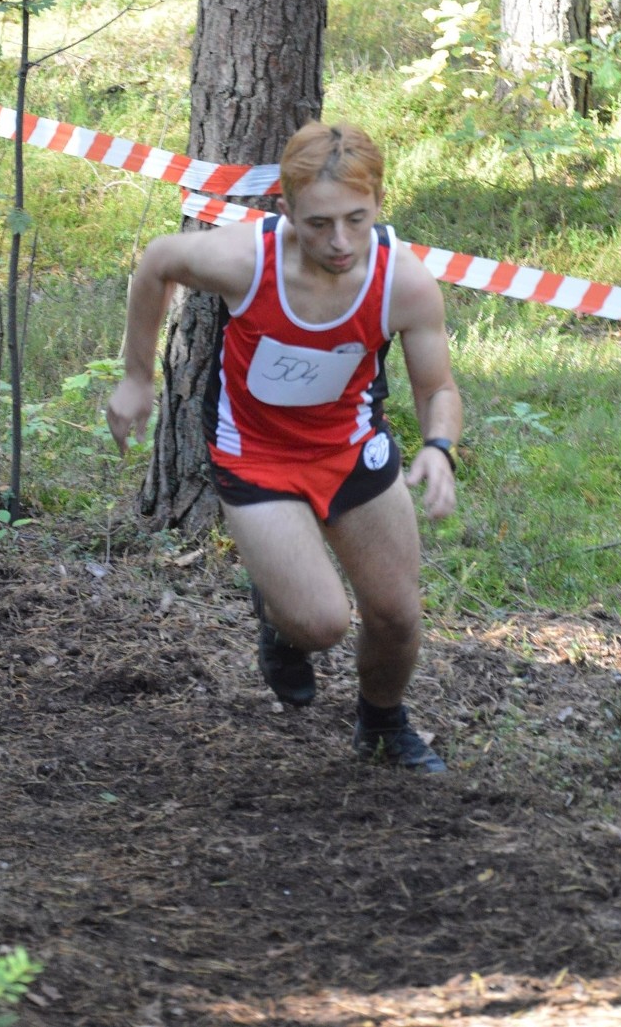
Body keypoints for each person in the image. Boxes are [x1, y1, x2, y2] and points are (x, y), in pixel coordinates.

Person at [106, 121, 462, 773]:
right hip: (256, 458)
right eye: (320, 222)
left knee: (397, 615)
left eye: (357, 219)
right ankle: (278, 610)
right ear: (285, 209)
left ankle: (382, 724)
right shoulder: (248, 259)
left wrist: (439, 446)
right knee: (322, 623)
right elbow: (158, 261)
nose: (339, 242)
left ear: (378, 203)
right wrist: (135, 375)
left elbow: (438, 388)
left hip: (352, 450)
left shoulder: (401, 279)